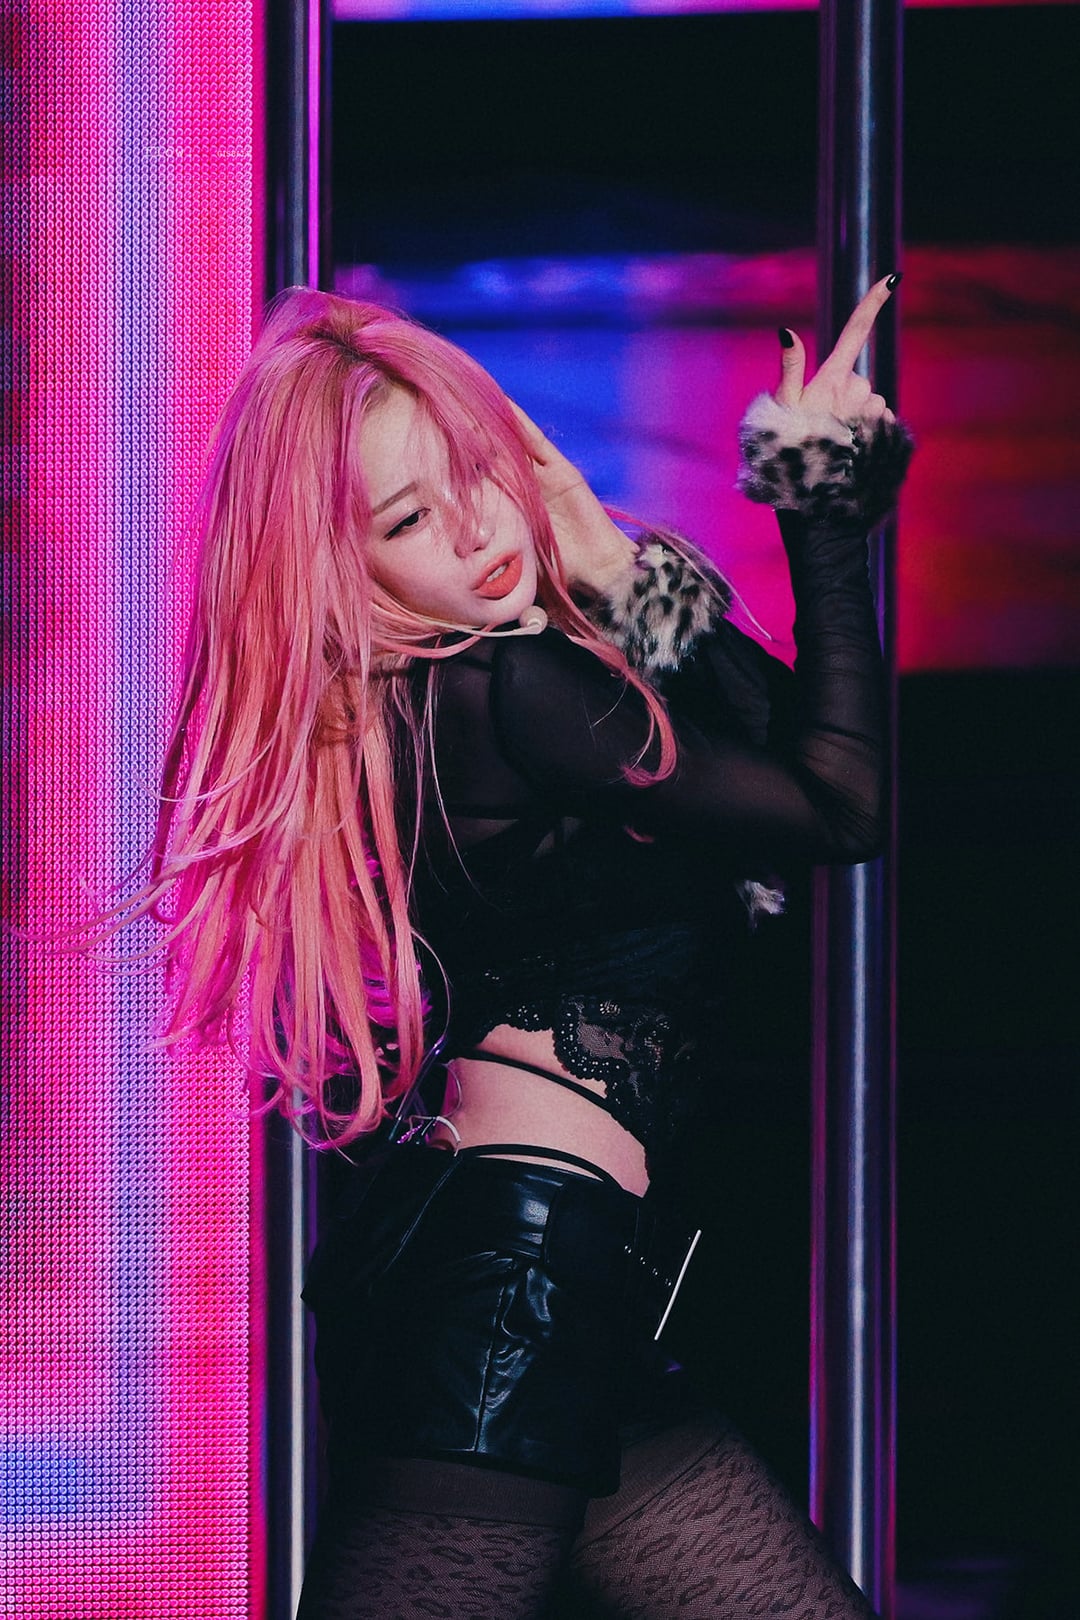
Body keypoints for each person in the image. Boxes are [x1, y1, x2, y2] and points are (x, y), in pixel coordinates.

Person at [147, 277, 912, 1618]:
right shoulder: (515, 692)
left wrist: (612, 568)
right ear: (345, 567)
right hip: (518, 1285)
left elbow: (774, 760)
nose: (474, 530)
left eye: (474, 473)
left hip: (543, 1279)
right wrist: (821, 518)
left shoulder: (422, 703)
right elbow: (837, 802)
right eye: (406, 518)